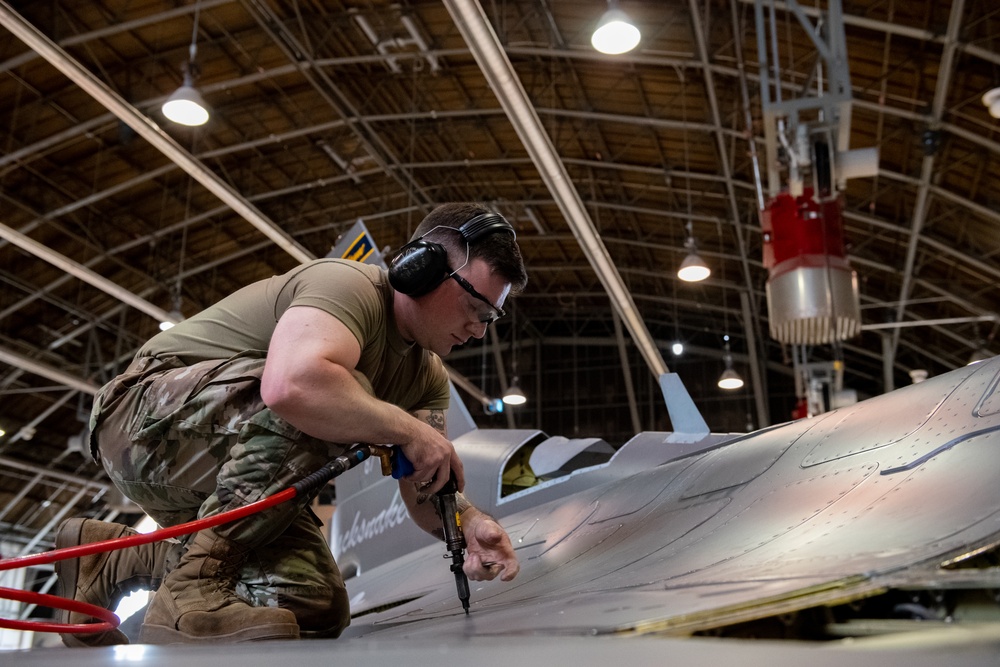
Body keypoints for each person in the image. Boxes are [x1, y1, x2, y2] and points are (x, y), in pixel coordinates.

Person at [56, 202, 528, 645]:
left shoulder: (426, 379)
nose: (480, 329)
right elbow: (291, 387)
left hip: (211, 461)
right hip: (138, 419)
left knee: (315, 602)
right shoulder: (349, 286)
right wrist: (408, 429)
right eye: (477, 308)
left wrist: (470, 523)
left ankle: (112, 560)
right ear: (421, 269)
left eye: (492, 316)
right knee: (332, 389)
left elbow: (423, 486)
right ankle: (190, 589)